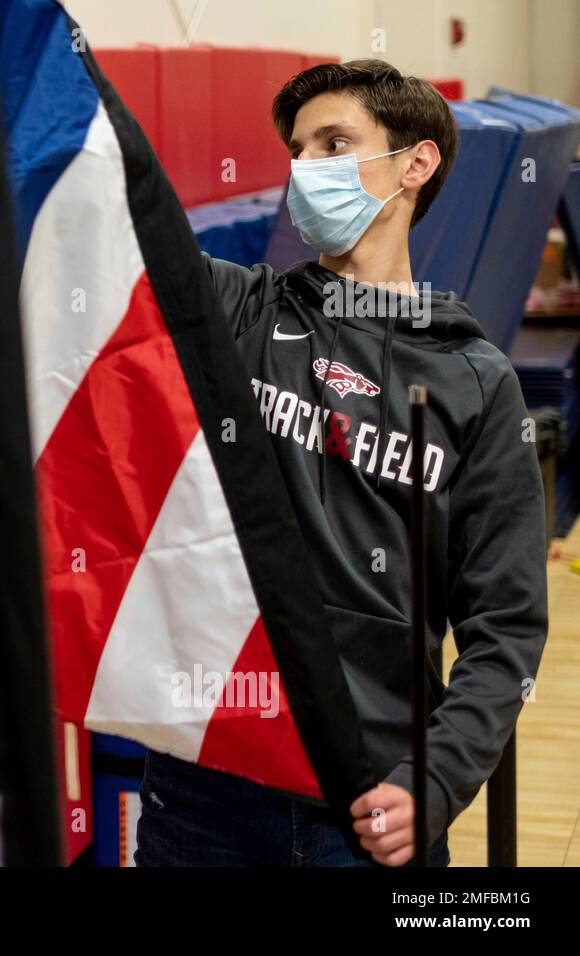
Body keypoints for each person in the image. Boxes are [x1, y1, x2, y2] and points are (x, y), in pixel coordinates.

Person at [135, 59, 549, 867]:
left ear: (415, 163)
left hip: (370, 807)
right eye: (299, 150)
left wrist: (434, 783)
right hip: (203, 793)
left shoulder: (475, 383)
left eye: (335, 143)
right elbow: (112, 236)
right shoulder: (238, 312)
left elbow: (505, 628)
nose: (308, 169)